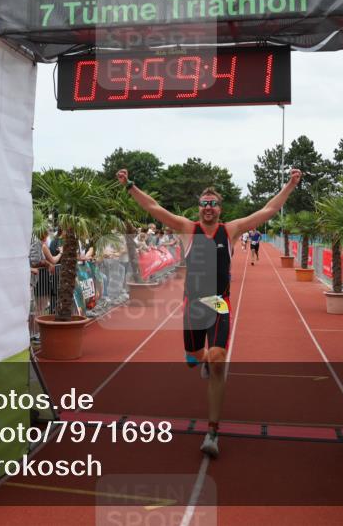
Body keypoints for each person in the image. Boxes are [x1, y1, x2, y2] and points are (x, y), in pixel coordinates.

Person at [116, 166, 302, 458]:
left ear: (220, 207)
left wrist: (290, 185)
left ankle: (212, 431)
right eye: (204, 204)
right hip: (193, 305)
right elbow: (154, 208)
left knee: (218, 360)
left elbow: (269, 209)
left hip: (218, 302)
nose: (208, 208)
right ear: (199, 207)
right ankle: (197, 357)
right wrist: (130, 186)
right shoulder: (189, 230)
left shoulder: (231, 231)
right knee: (197, 357)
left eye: (213, 203)